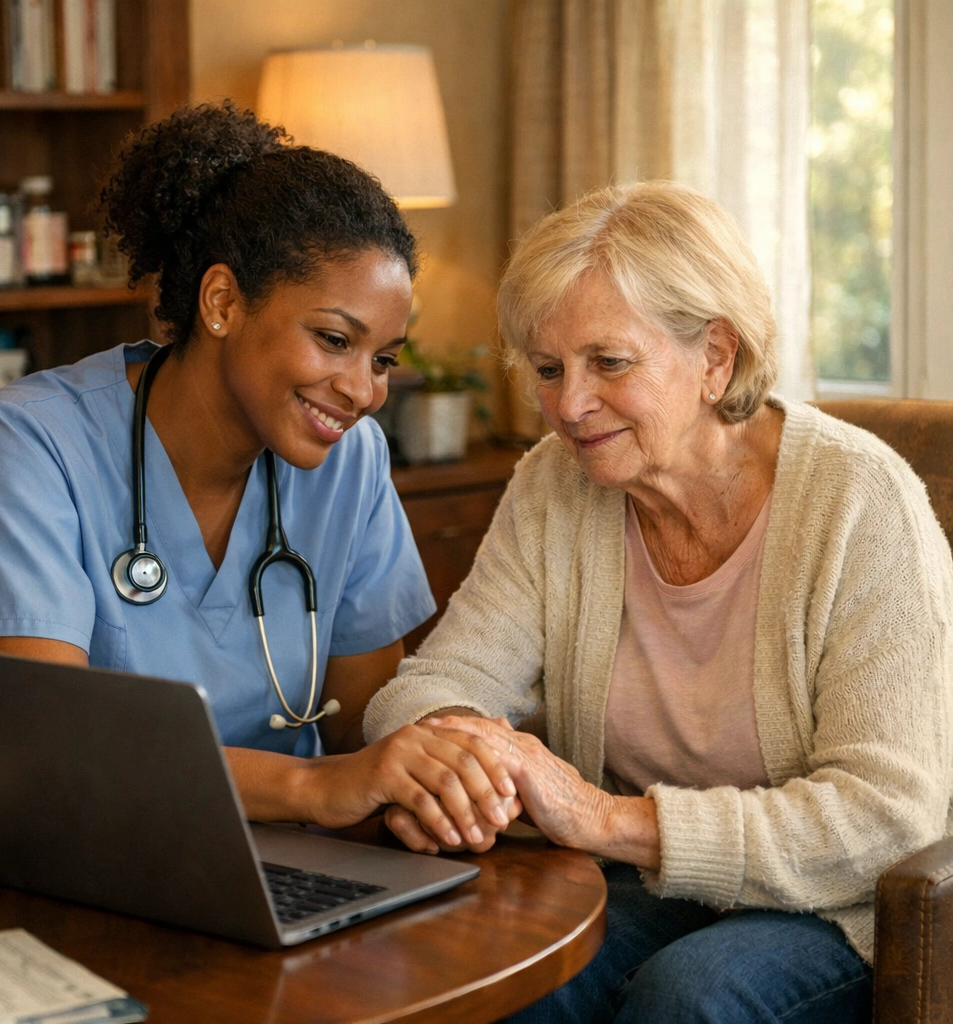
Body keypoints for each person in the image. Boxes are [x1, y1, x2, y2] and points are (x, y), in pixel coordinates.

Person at [364, 180, 953, 1022]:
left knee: (689, 999)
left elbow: (886, 821)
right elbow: (424, 690)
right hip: (643, 882)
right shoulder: (554, 485)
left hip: (835, 904)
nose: (569, 406)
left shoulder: (861, 501)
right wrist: (453, 767)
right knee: (497, 971)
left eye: (609, 363)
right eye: (548, 368)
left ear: (716, 357)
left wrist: (605, 819)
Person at [0, 103, 517, 853]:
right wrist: (315, 787)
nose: (364, 390)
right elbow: (48, 754)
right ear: (222, 302)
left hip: (302, 859)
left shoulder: (352, 463)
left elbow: (360, 724)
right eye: (334, 339)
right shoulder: (29, 447)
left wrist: (444, 759)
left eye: (383, 359)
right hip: (91, 861)